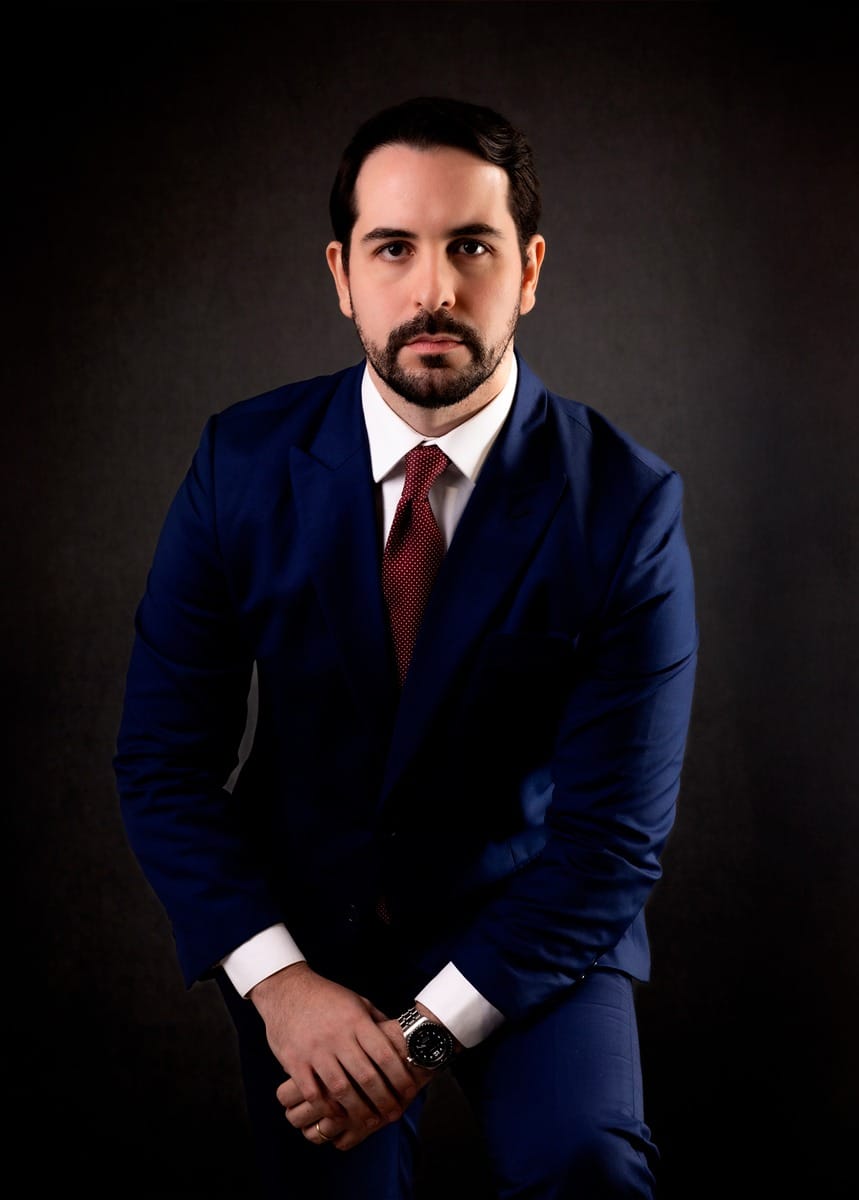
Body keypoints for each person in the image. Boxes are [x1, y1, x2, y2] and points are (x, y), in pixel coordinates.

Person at [114, 95, 698, 1199]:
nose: (434, 290)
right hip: (307, 933)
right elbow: (162, 762)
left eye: (470, 246)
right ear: (342, 275)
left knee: (586, 1167)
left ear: (527, 270)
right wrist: (282, 987)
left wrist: (421, 1039)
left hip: (533, 923)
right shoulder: (241, 464)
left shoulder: (625, 506)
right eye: (394, 248)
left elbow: (611, 843)